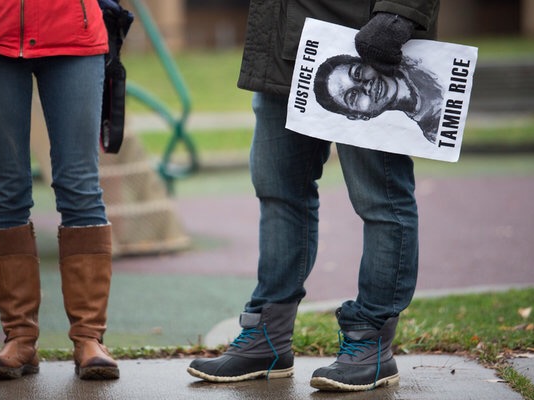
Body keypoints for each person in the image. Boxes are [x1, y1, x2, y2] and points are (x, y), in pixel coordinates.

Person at [187, 0, 440, 392]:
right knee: (278, 190)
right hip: (282, 48)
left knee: (381, 199)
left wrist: (399, 14)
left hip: (366, 39)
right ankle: (267, 336)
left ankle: (370, 342)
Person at [0, 0, 119, 380]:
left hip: (74, 32)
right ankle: (19, 338)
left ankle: (89, 339)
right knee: (5, 188)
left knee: (80, 185)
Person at [314, 54, 443, 143]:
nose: (366, 86)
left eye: (358, 73)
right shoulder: (434, 132)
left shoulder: (422, 61)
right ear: (358, 115)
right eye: (353, 96)